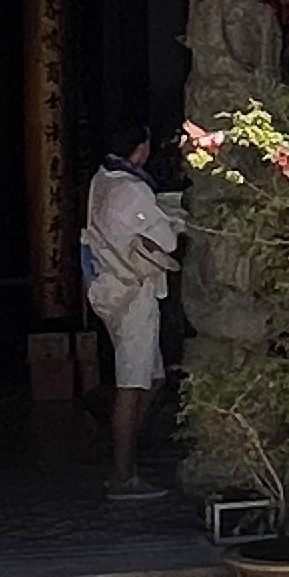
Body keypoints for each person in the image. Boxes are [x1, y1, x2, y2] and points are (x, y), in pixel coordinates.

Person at [82, 121, 182, 502]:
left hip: (109, 284)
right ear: (140, 149)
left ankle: (124, 452)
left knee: (152, 379)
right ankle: (123, 474)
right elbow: (165, 241)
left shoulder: (102, 179)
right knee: (132, 383)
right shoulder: (133, 189)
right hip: (132, 295)